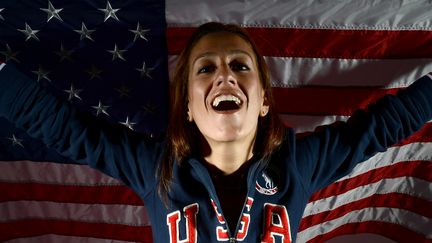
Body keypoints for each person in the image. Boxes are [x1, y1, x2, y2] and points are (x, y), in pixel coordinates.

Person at [0, 22, 431, 242]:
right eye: (205, 68)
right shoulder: (157, 168)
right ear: (187, 106)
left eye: (240, 65)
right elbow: (64, 128)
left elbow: (381, 127)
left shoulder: (297, 164)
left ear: (263, 100)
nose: (224, 75)